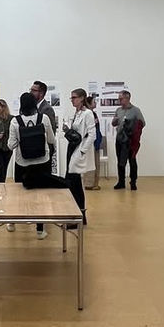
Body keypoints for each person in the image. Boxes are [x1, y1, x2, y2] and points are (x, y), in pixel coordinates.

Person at [8, 92, 61, 239]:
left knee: (18, 194)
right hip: (42, 162)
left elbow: (11, 145)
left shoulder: (15, 121)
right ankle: (39, 230)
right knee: (41, 196)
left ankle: (12, 223)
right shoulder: (43, 118)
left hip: (22, 163)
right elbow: (51, 139)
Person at [64, 88, 95, 225]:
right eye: (71, 98)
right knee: (72, 183)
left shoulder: (88, 114)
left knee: (74, 184)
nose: (72, 100)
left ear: (82, 98)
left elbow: (92, 135)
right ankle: (78, 216)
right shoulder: (77, 113)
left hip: (78, 150)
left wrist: (82, 151)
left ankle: (79, 216)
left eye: (74, 97)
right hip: (72, 148)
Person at [112, 89, 145, 190]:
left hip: (130, 141)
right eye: (118, 99)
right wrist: (114, 121)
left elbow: (142, 123)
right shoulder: (118, 110)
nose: (119, 101)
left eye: (121, 99)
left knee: (132, 160)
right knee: (120, 161)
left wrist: (132, 128)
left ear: (127, 98)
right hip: (119, 139)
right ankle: (121, 182)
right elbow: (113, 124)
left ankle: (133, 182)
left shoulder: (136, 110)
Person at [29, 80, 58, 174]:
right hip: (36, 149)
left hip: (44, 150)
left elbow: (51, 131)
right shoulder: (34, 108)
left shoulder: (47, 109)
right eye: (30, 90)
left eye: (33, 90)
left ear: (41, 93)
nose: (30, 92)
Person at [83, 96, 103, 191]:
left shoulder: (93, 114)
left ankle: (95, 183)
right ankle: (89, 183)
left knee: (96, 162)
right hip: (90, 142)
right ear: (88, 103)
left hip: (96, 141)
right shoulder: (87, 114)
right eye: (94, 102)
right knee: (91, 162)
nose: (95, 103)